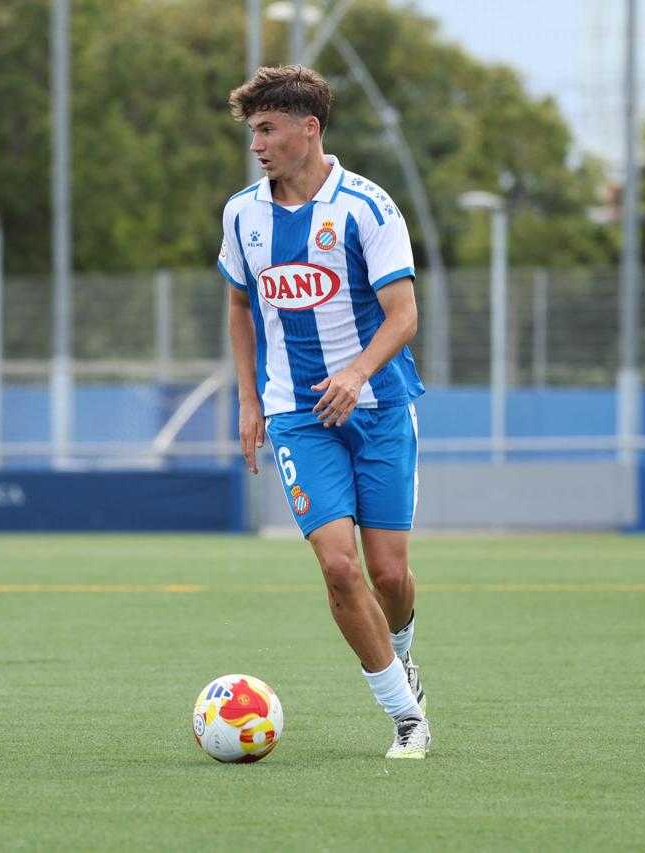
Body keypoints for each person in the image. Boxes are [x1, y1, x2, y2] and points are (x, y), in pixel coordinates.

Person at [219, 65, 430, 758]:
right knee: (339, 566)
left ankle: (403, 650)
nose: (257, 144)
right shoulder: (243, 214)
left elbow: (404, 315)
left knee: (388, 574)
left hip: (379, 406)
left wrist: (357, 372)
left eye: (268, 129)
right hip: (297, 415)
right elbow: (239, 305)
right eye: (253, 131)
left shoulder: (368, 207)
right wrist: (249, 398)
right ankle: (406, 716)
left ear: (308, 129)